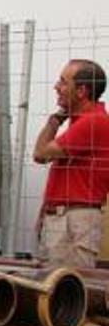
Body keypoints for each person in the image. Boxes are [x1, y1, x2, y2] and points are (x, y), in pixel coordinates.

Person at [33, 59, 109, 269]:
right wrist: (46, 210)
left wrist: (55, 120)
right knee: (55, 284)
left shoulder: (93, 122)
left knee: (66, 286)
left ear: (82, 91)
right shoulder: (84, 121)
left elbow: (40, 154)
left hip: (73, 219)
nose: (57, 87)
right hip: (66, 216)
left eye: (63, 82)